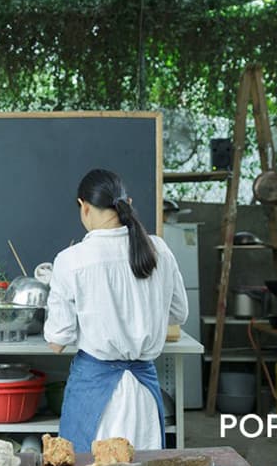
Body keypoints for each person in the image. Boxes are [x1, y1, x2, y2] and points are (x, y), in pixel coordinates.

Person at [44, 169, 188, 453]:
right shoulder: (158, 250)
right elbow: (179, 314)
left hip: (95, 395)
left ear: (83, 206)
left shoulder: (71, 260)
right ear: (127, 203)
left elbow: (57, 341)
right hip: (143, 393)